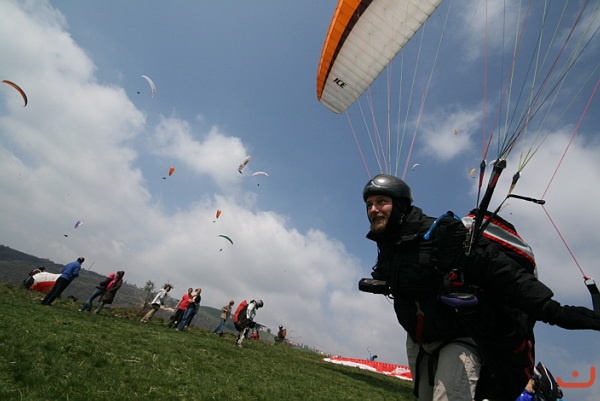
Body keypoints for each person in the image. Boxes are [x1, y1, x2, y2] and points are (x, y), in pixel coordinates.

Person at [360, 174, 600, 401]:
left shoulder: (444, 235)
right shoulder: (390, 246)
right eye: (369, 204)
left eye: (381, 202)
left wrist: (559, 312)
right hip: (419, 340)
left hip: (459, 338)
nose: (374, 209)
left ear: (401, 205)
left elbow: (508, 278)